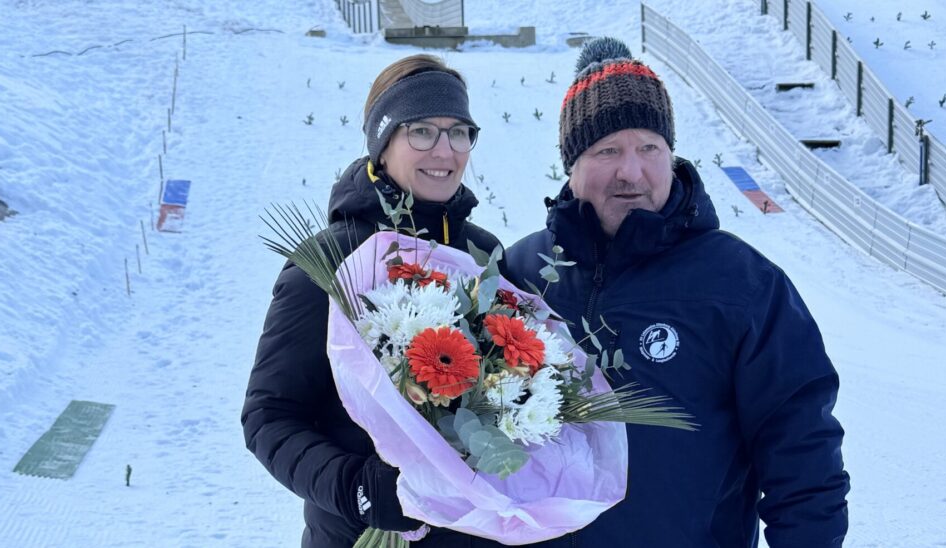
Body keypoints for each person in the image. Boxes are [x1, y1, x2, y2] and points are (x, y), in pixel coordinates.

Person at [504, 38, 850, 547]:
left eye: (649, 148)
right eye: (607, 150)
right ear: (571, 165)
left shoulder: (741, 285)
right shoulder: (520, 273)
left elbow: (803, 459)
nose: (632, 171)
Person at [241, 54, 504, 547]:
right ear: (383, 145)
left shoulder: (483, 256)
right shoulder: (329, 261)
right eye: (422, 131)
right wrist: (356, 487)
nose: (444, 150)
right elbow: (268, 416)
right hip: (359, 535)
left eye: (459, 132)